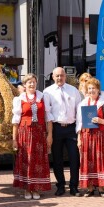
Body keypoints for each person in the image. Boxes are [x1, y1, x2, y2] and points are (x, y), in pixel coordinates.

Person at [43, 67, 82, 196]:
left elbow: (79, 111)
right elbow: (47, 114)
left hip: (71, 128)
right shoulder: (47, 92)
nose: (60, 78)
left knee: (74, 158)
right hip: (56, 128)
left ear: (65, 76)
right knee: (57, 159)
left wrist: (78, 130)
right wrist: (49, 134)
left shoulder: (73, 90)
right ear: (53, 77)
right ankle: (60, 186)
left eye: (62, 75)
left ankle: (74, 186)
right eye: (57, 76)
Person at [12, 73, 52, 199]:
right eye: (29, 82)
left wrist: (49, 134)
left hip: (39, 133)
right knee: (26, 160)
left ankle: (36, 188)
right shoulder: (20, 99)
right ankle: (27, 189)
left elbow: (48, 118)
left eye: (33, 81)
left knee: (38, 160)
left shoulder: (43, 97)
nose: (31, 84)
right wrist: (14, 139)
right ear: (24, 85)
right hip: (25, 133)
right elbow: (16, 121)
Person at [76, 78, 104, 197]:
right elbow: (79, 123)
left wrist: (101, 120)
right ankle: (89, 188)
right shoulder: (83, 103)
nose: (91, 91)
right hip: (86, 135)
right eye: (89, 88)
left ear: (98, 90)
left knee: (99, 160)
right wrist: (79, 139)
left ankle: (101, 188)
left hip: (99, 135)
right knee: (87, 160)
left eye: (93, 89)